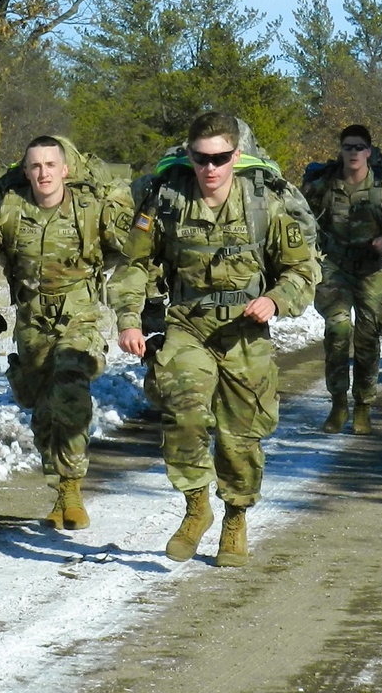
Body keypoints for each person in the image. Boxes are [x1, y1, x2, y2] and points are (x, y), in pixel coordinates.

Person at [110, 111, 319, 567]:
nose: (210, 168)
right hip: (188, 323)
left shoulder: (264, 203)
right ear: (189, 156)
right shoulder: (167, 201)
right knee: (183, 410)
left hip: (245, 330)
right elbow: (134, 266)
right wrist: (129, 319)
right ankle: (196, 506)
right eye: (201, 158)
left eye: (220, 158)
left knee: (240, 438)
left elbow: (303, 270)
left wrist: (277, 299)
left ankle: (235, 518)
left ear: (235, 156)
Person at [0, 136, 134, 530]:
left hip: (80, 316)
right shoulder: (9, 211)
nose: (44, 174)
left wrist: (132, 310)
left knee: (71, 390)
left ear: (65, 169)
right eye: (35, 167)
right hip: (32, 320)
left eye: (50, 165)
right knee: (42, 411)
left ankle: (72, 488)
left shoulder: (89, 210)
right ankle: (59, 488)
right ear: (26, 172)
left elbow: (134, 252)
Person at [302, 124, 382, 436]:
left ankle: (364, 406)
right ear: (340, 150)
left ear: (369, 151)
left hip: (370, 269)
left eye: (358, 147)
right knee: (337, 330)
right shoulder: (323, 184)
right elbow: (299, 217)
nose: (353, 152)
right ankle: (338, 403)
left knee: (368, 338)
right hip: (334, 266)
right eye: (347, 147)